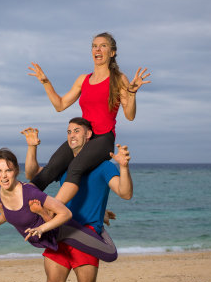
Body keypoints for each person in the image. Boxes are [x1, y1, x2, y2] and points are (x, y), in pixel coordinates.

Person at [22, 117, 133, 282]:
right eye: (69, 131)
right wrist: (32, 148)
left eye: (77, 131)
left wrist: (123, 167)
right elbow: (35, 176)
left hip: (85, 235)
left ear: (89, 135)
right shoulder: (66, 163)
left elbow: (125, 193)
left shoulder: (104, 166)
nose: (72, 135)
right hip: (59, 232)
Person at [28, 32, 149, 205]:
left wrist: (132, 92)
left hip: (103, 137)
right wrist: (45, 81)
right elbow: (60, 105)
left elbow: (130, 116)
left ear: (112, 52)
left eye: (103, 45)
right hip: (83, 135)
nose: (97, 49)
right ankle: (20, 203)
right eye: (94, 46)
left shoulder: (119, 79)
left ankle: (52, 210)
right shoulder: (83, 80)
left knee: (75, 167)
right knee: (51, 168)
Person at [0, 149, 119, 263]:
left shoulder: (30, 193)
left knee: (110, 254)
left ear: (16, 170)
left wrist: (41, 228)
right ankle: (98, 213)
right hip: (48, 237)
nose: (3, 176)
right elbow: (10, 213)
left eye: (8, 170)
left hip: (63, 231)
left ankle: (100, 216)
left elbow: (65, 214)